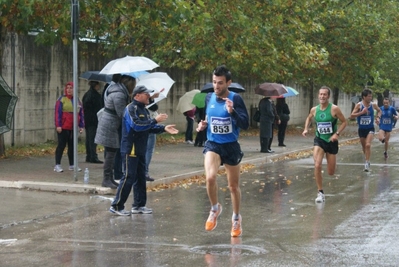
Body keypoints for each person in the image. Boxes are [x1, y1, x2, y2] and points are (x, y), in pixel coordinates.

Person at [196, 65, 249, 237]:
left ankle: (236, 218)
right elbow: (207, 118)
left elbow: (245, 124)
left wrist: (232, 112)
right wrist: (203, 125)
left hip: (231, 146)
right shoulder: (209, 97)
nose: (216, 86)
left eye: (220, 83)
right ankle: (214, 208)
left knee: (233, 186)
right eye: (214, 82)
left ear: (228, 83)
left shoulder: (236, 99)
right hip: (213, 144)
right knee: (210, 177)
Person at [109, 85, 179, 216]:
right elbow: (136, 126)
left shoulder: (144, 110)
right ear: (137, 95)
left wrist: (163, 128)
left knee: (141, 177)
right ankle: (117, 206)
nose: (148, 96)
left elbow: (148, 127)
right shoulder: (131, 108)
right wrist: (154, 120)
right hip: (131, 148)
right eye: (146, 94)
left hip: (141, 148)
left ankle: (139, 205)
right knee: (128, 177)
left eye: (149, 94)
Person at [302, 86, 347, 203]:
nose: (322, 96)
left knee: (331, 172)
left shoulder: (334, 109)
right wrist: (306, 129)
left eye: (324, 94)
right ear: (318, 95)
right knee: (317, 165)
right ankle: (320, 192)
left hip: (331, 141)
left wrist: (336, 134)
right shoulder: (314, 109)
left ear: (328, 96)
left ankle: (328, 161)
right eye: (320, 94)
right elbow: (309, 118)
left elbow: (344, 122)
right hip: (320, 140)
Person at [95, 75, 135, 189]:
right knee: (111, 152)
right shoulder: (119, 94)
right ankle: (106, 178)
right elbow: (121, 113)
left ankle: (109, 178)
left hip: (111, 124)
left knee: (111, 152)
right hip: (109, 125)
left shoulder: (119, 92)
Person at [53, 82, 84, 173]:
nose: (69, 90)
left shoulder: (77, 100)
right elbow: (57, 113)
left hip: (73, 127)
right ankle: (57, 164)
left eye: (71, 88)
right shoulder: (61, 99)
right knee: (61, 145)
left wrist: (81, 125)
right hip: (64, 126)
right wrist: (58, 125)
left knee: (72, 146)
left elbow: (81, 113)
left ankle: (72, 164)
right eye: (68, 88)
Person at [350, 88, 382, 172]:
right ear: (364, 97)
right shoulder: (359, 105)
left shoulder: (373, 105)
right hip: (361, 129)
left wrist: (378, 118)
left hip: (370, 128)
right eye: (369, 96)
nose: (370, 98)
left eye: (371, 96)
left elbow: (379, 111)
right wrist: (361, 112)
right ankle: (367, 159)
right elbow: (352, 116)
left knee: (368, 145)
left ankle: (367, 163)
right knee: (364, 147)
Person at [82, 81, 104, 164]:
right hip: (94, 119)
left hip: (88, 119)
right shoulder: (96, 96)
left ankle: (89, 155)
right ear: (96, 86)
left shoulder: (87, 95)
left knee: (89, 138)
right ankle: (93, 156)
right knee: (93, 138)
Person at [145, 103, 159, 182]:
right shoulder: (148, 98)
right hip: (149, 125)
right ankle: (145, 171)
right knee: (149, 150)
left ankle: (143, 171)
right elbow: (153, 107)